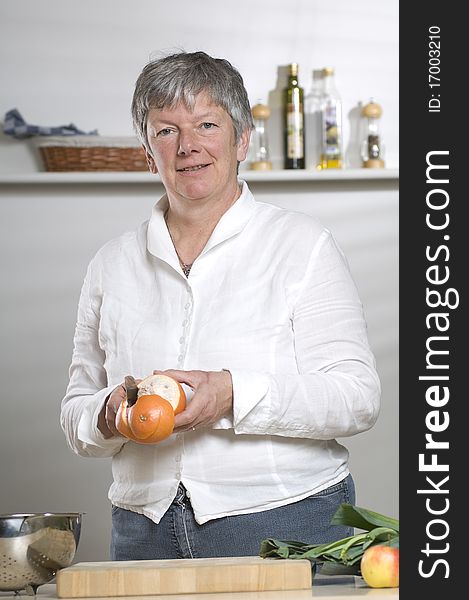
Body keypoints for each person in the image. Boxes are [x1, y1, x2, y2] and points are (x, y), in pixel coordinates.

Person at [60, 50, 381, 561]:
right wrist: (109, 416)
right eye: (166, 131)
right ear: (147, 152)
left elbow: (356, 396)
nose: (188, 146)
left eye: (207, 124)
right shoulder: (110, 264)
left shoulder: (303, 244)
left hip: (284, 518)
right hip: (143, 529)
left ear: (242, 141)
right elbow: (77, 406)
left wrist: (232, 394)